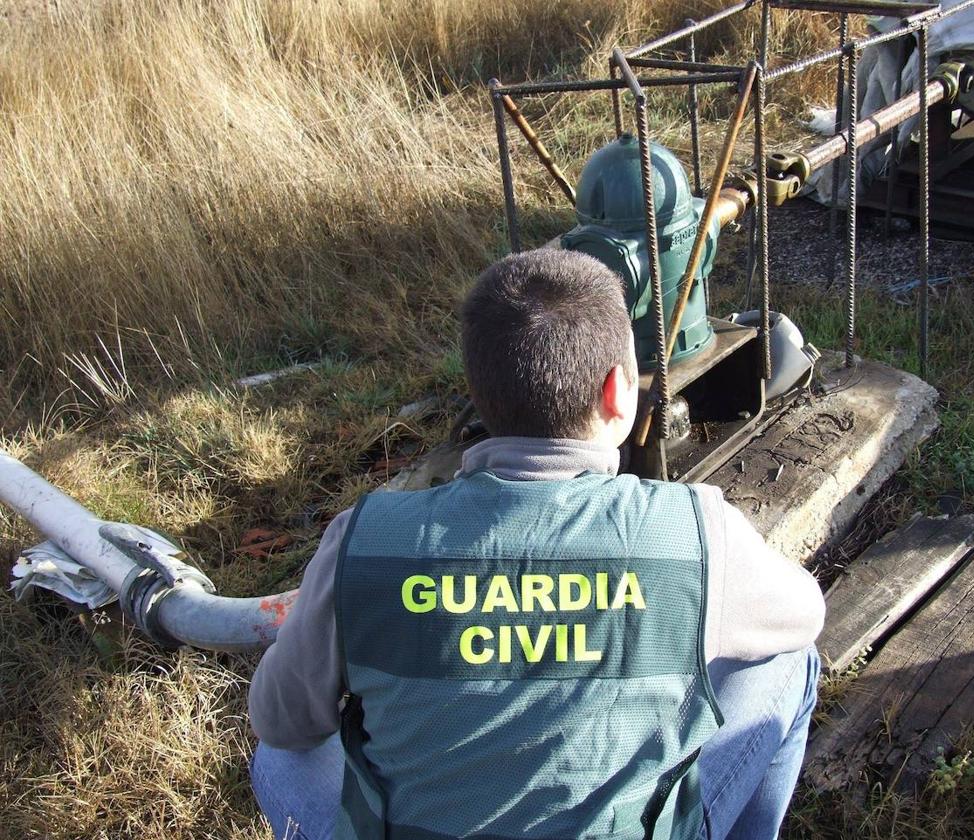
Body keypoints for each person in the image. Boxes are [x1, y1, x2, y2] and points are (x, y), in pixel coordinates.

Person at [248, 249, 825, 840]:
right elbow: (805, 614)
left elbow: (277, 719)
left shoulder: (364, 538)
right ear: (617, 394)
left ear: (478, 391)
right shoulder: (696, 530)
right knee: (791, 661)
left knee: (278, 754)